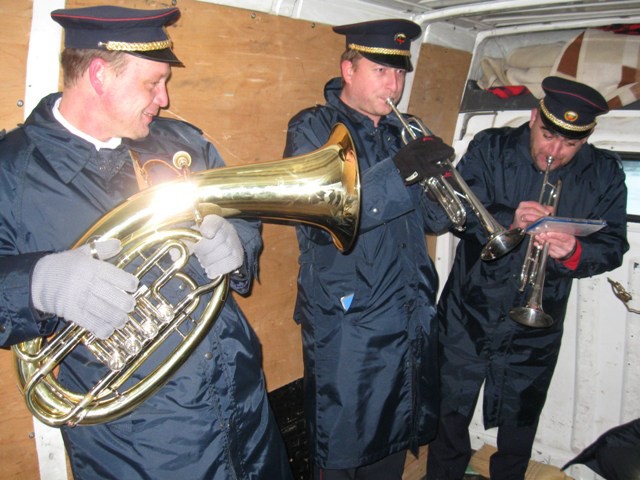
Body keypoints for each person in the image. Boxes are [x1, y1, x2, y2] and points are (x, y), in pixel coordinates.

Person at [0, 6, 292, 480]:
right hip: (140, 447)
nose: (165, 98)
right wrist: (38, 283)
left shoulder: (183, 143)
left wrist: (238, 243)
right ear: (99, 75)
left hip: (244, 409)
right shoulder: (10, 172)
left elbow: (241, 214)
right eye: (152, 83)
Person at [426, 76, 629, 480]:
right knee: (448, 410)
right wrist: (508, 220)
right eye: (548, 135)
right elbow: (458, 212)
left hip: (537, 320)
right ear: (534, 117)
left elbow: (613, 244)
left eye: (570, 144)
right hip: (469, 310)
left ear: (586, 138)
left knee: (522, 418)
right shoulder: (490, 147)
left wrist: (574, 252)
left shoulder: (604, 172)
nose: (554, 151)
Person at [283, 18, 453, 479]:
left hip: (407, 310)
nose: (394, 85)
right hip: (349, 321)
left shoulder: (406, 130)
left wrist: (444, 181)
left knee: (392, 442)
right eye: (381, 71)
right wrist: (401, 172)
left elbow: (436, 221)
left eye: (399, 74)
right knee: (340, 451)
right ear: (349, 69)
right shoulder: (314, 126)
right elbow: (321, 219)